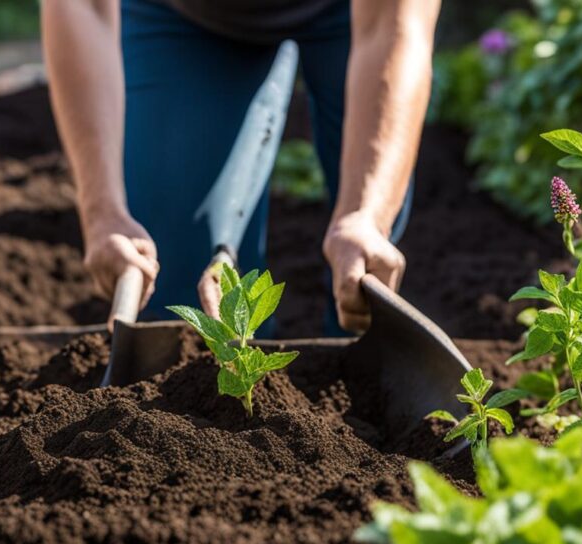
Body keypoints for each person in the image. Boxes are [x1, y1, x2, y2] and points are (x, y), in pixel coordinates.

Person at [42, 0, 441, 333]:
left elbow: (397, 24)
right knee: (182, 298)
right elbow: (81, 7)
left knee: (362, 271)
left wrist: (365, 214)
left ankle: (358, 382)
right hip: (190, 14)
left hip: (350, 13)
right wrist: (102, 212)